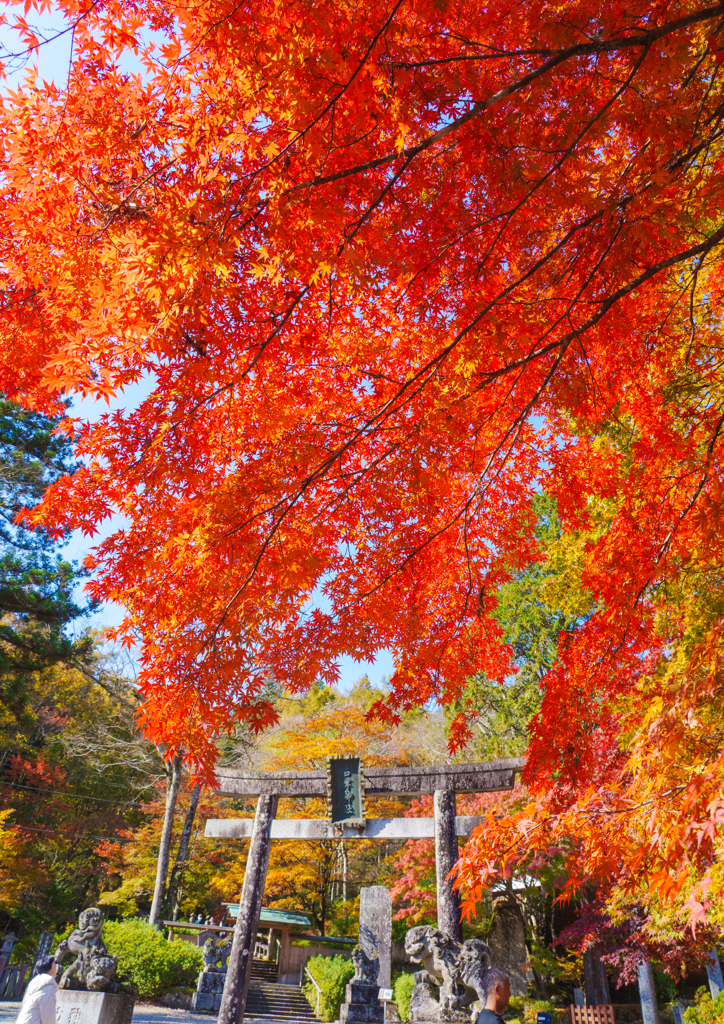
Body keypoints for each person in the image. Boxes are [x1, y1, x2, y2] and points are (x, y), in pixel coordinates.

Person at [16, 956, 58, 1024]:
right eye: (54, 963)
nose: (56, 966)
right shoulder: (48, 986)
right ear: (47, 965)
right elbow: (48, 1014)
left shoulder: (35, 982)